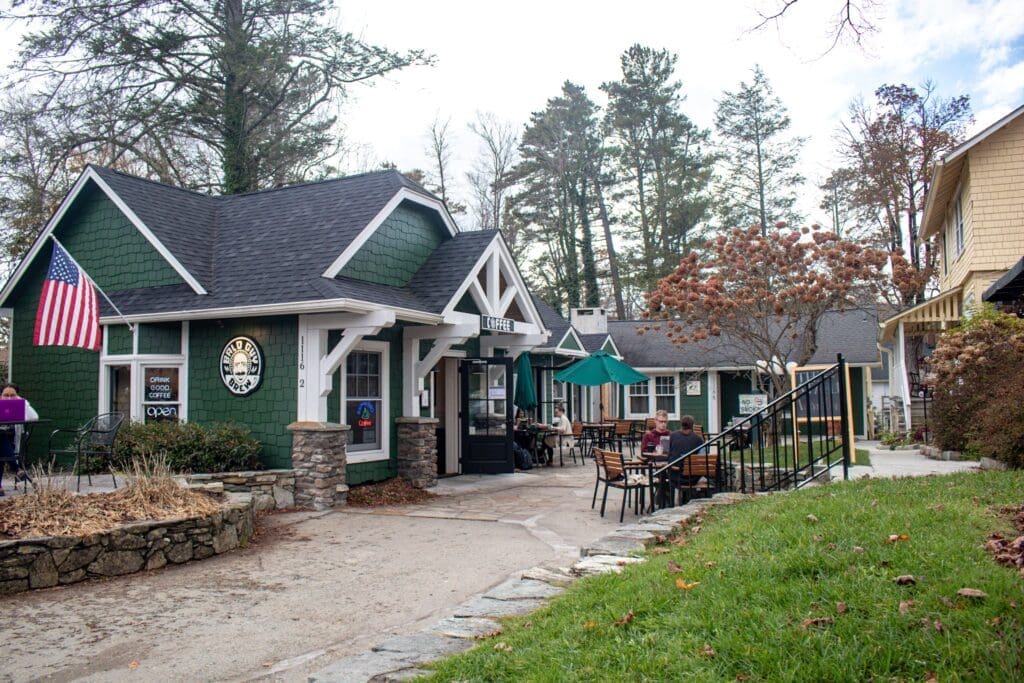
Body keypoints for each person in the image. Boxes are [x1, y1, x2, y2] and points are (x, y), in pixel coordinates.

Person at [0, 383, 39, 496]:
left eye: (13, 395)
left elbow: (34, 417)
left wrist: (21, 402)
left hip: (11, 446)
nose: (9, 398)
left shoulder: (20, 407)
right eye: (6, 395)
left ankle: (13, 472)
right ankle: (17, 469)